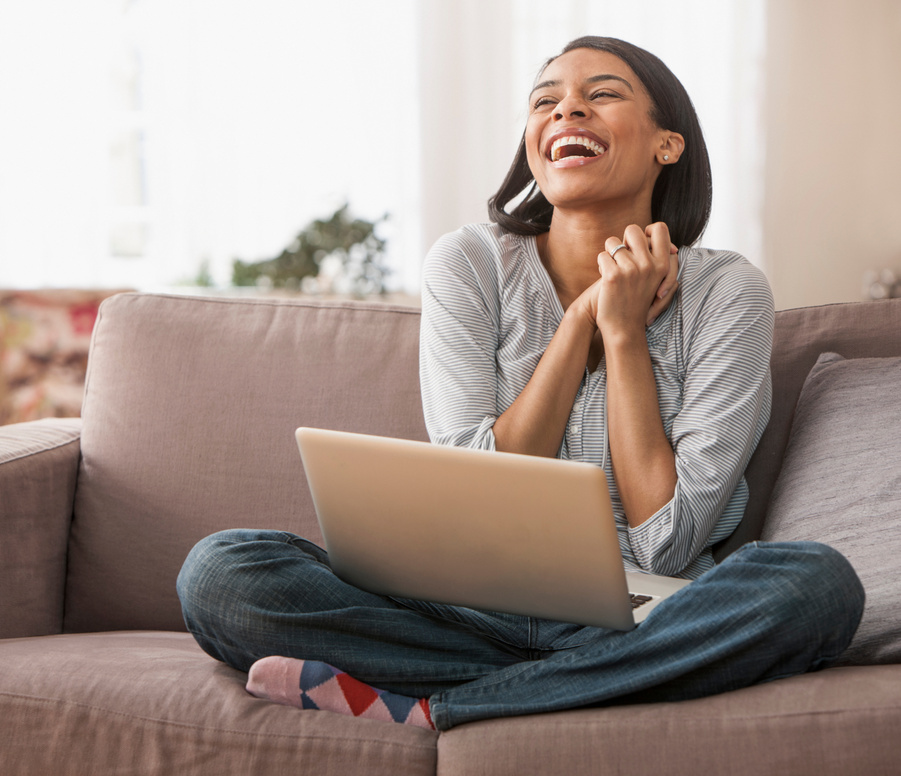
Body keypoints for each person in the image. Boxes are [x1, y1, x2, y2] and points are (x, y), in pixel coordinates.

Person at [176, 36, 864, 732]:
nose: (567, 109)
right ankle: (582, 687)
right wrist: (579, 324)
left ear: (667, 144)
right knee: (222, 573)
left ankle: (437, 704)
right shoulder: (470, 263)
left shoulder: (728, 292)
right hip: (461, 606)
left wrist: (624, 336)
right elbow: (476, 494)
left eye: (600, 94)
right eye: (545, 101)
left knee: (812, 586)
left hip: (647, 611)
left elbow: (666, 542)